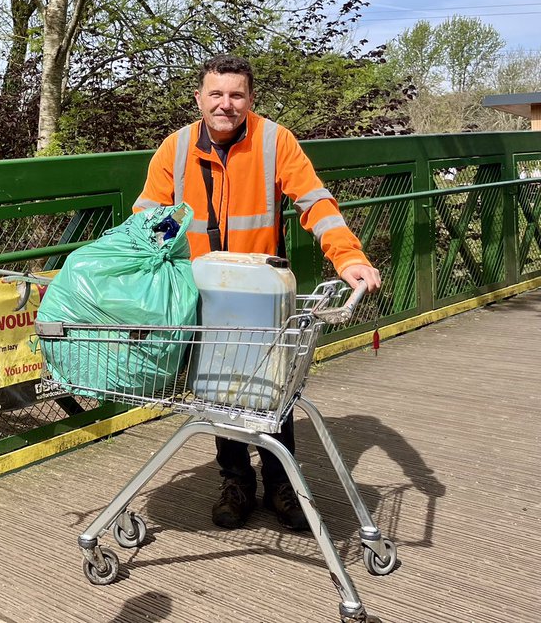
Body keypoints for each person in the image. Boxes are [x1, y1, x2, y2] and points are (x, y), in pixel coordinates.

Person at [134, 54, 381, 531]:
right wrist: (124, 272)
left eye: (236, 95)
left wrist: (348, 256)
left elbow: (316, 203)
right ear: (200, 98)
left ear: (250, 99)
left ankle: (281, 483)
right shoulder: (175, 148)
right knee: (218, 388)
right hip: (202, 291)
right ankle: (237, 482)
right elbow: (149, 218)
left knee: (273, 389)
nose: (226, 104)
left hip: (262, 293)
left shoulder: (274, 141)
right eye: (216, 94)